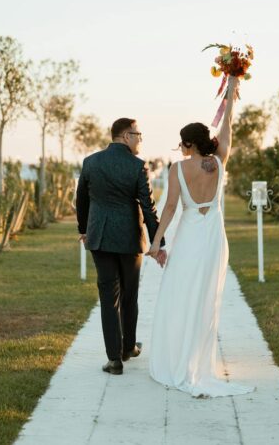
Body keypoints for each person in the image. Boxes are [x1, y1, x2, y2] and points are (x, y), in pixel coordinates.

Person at [146, 75, 254, 397]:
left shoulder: (179, 168)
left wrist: (155, 243)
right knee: (206, 298)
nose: (180, 148)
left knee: (181, 296)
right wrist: (232, 90)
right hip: (214, 240)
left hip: (191, 236)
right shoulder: (218, 162)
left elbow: (168, 208)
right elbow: (228, 125)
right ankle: (198, 362)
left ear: (188, 144)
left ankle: (180, 360)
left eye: (181, 143)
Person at [76, 118, 165, 375]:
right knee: (129, 295)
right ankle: (128, 348)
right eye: (138, 134)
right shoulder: (137, 166)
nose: (140, 139)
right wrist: (158, 240)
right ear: (126, 136)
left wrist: (83, 229)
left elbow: (81, 199)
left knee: (108, 297)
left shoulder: (91, 162)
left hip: (100, 238)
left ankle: (114, 360)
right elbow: (148, 207)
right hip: (129, 238)